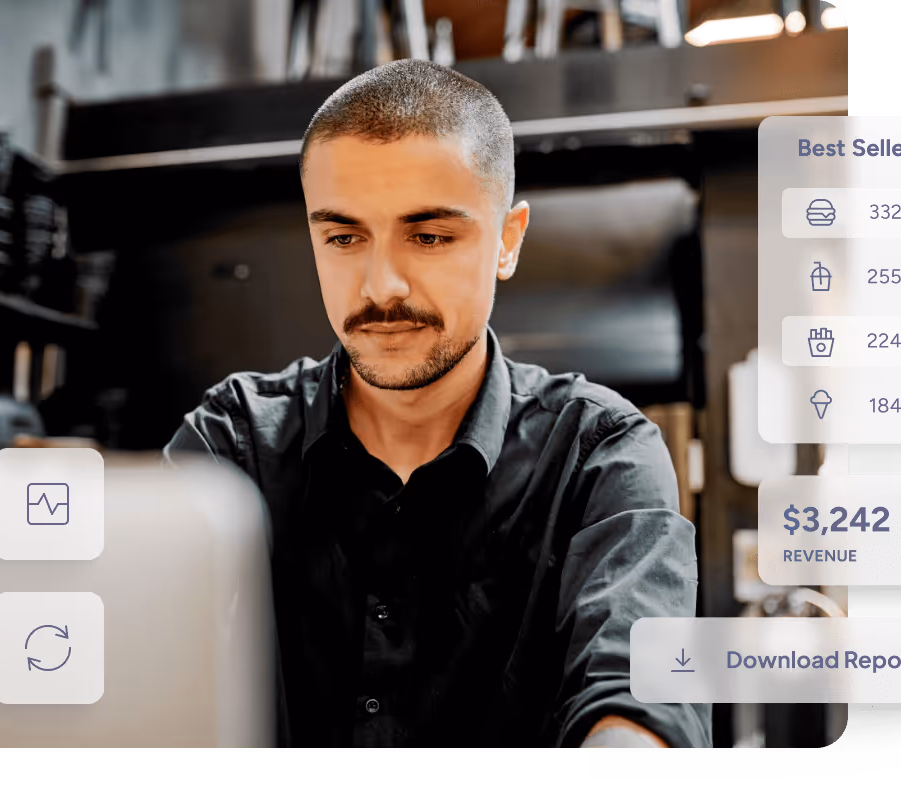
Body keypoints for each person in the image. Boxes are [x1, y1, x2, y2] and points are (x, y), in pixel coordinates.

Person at [164, 59, 710, 748]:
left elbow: (639, 699)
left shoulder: (600, 455)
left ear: (507, 240)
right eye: (343, 237)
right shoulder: (233, 440)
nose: (381, 285)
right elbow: (138, 665)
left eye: (428, 236)